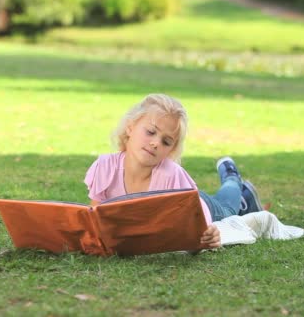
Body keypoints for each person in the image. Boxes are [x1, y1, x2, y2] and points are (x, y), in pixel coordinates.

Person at [84, 94, 263, 249]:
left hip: (200, 207)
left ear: (170, 150)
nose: (156, 143)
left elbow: (194, 229)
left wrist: (207, 236)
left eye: (166, 142)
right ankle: (242, 194)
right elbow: (96, 217)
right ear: (130, 127)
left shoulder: (171, 176)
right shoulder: (104, 167)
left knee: (227, 208)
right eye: (151, 132)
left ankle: (232, 178)